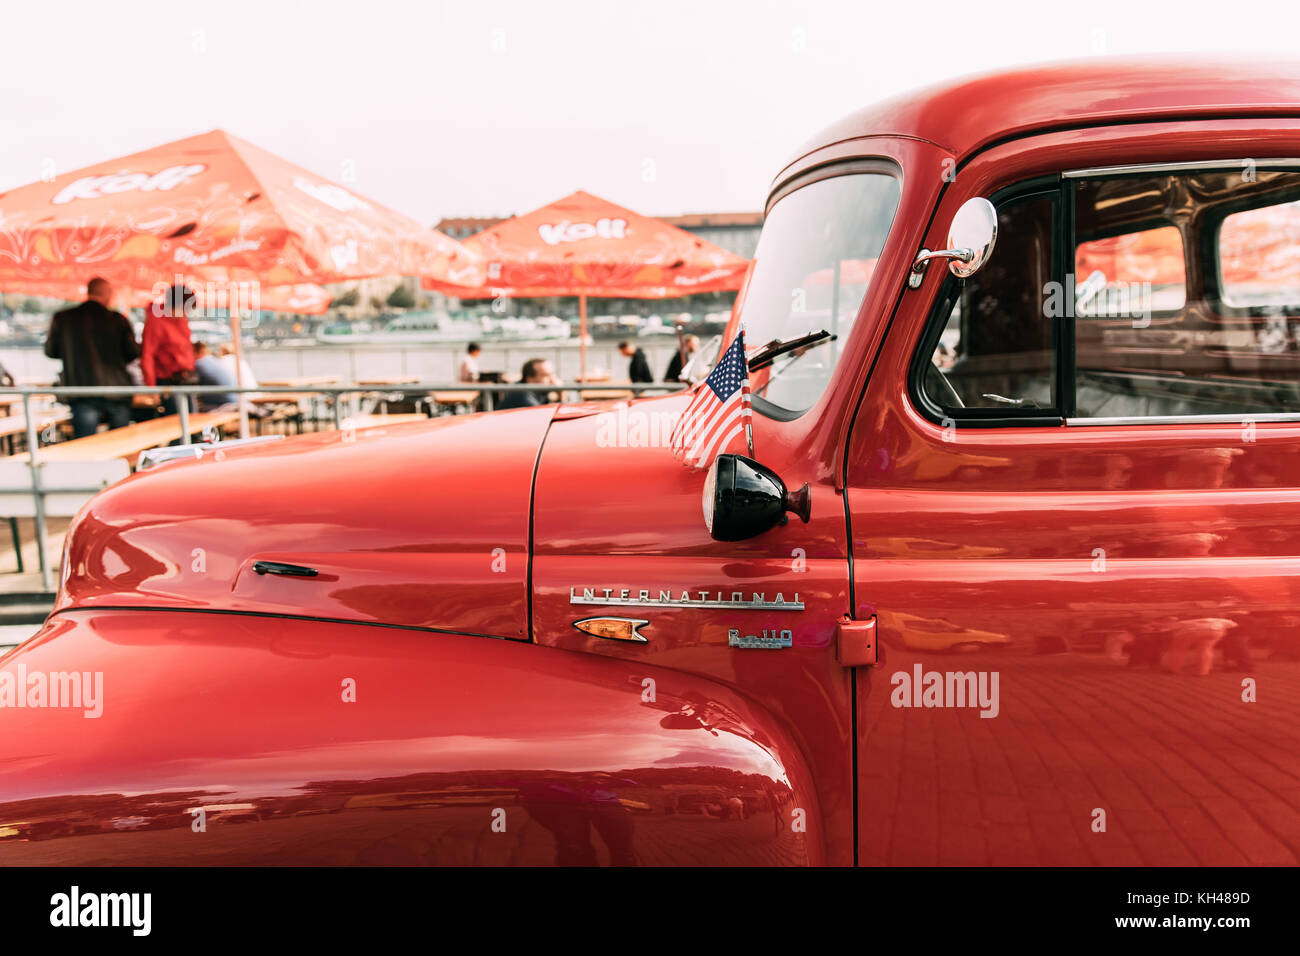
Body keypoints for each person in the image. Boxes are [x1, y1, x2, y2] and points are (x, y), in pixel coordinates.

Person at [43, 276, 140, 438]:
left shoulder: (63, 318)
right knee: (121, 441)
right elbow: (133, 353)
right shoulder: (118, 320)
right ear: (107, 294)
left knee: (87, 444)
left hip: (81, 389)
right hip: (117, 389)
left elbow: (51, 352)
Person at [141, 283, 197, 413]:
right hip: (168, 382)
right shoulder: (156, 321)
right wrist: (152, 388)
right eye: (185, 308)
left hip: (185, 380)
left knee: (192, 420)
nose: (186, 313)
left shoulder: (181, 320)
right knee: (178, 422)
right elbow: (147, 356)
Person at [193, 341, 238, 410]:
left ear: (196, 352)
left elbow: (192, 386)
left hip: (221, 405)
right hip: (235, 402)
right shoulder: (216, 360)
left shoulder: (199, 364)